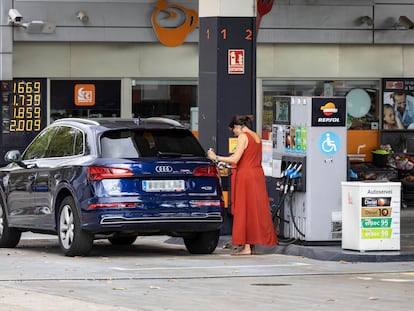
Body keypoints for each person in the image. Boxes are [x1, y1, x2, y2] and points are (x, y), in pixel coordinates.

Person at [207, 115, 278, 255]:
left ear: (238, 126)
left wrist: (215, 157)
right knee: (254, 209)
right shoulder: (256, 137)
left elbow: (236, 158)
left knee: (245, 209)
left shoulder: (243, 137)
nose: (234, 132)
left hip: (246, 177)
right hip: (257, 175)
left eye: (234, 129)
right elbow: (248, 159)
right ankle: (250, 246)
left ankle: (246, 247)